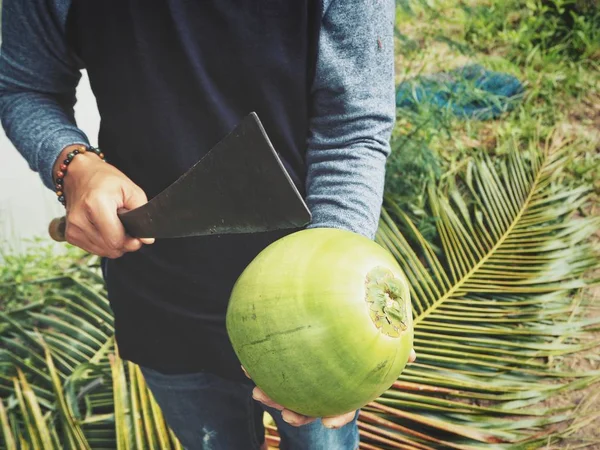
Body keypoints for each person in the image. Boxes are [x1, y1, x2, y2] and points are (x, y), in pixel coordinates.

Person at [0, 0, 414, 448]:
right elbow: (23, 86)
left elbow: (351, 125)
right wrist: (73, 165)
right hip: (163, 301)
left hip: (317, 325)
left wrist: (340, 312)